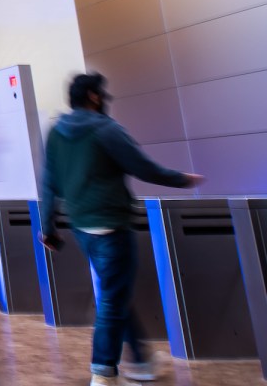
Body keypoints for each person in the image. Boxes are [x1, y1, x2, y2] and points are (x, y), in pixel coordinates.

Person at [40, 72, 204, 386]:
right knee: (113, 300)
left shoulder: (55, 132)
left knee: (115, 293)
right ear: (93, 96)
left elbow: (48, 182)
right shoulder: (106, 128)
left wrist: (48, 227)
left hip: (82, 228)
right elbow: (142, 167)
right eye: (102, 94)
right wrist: (182, 179)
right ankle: (103, 372)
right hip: (112, 225)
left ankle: (141, 360)